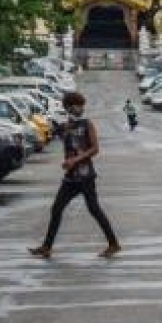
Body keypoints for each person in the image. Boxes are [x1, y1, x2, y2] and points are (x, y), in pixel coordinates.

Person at [29, 91, 121, 259]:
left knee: (94, 210)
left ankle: (113, 244)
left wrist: (75, 160)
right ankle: (46, 247)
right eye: (77, 105)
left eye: (81, 105)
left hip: (86, 176)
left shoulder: (88, 125)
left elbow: (95, 149)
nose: (80, 108)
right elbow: (49, 135)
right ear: (69, 107)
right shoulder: (66, 126)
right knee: (56, 209)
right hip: (71, 177)